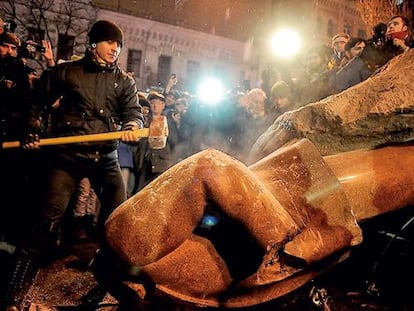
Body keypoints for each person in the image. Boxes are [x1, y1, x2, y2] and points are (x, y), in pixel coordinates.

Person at [2, 20, 144, 311]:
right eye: (109, 42)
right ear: (93, 44)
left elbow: (134, 112)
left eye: (118, 45)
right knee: (46, 219)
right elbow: (37, 102)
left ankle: (103, 287)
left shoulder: (124, 82)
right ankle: (14, 296)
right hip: (67, 156)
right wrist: (32, 127)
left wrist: (131, 124)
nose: (115, 49)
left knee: (120, 220)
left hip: (104, 158)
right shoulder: (68, 72)